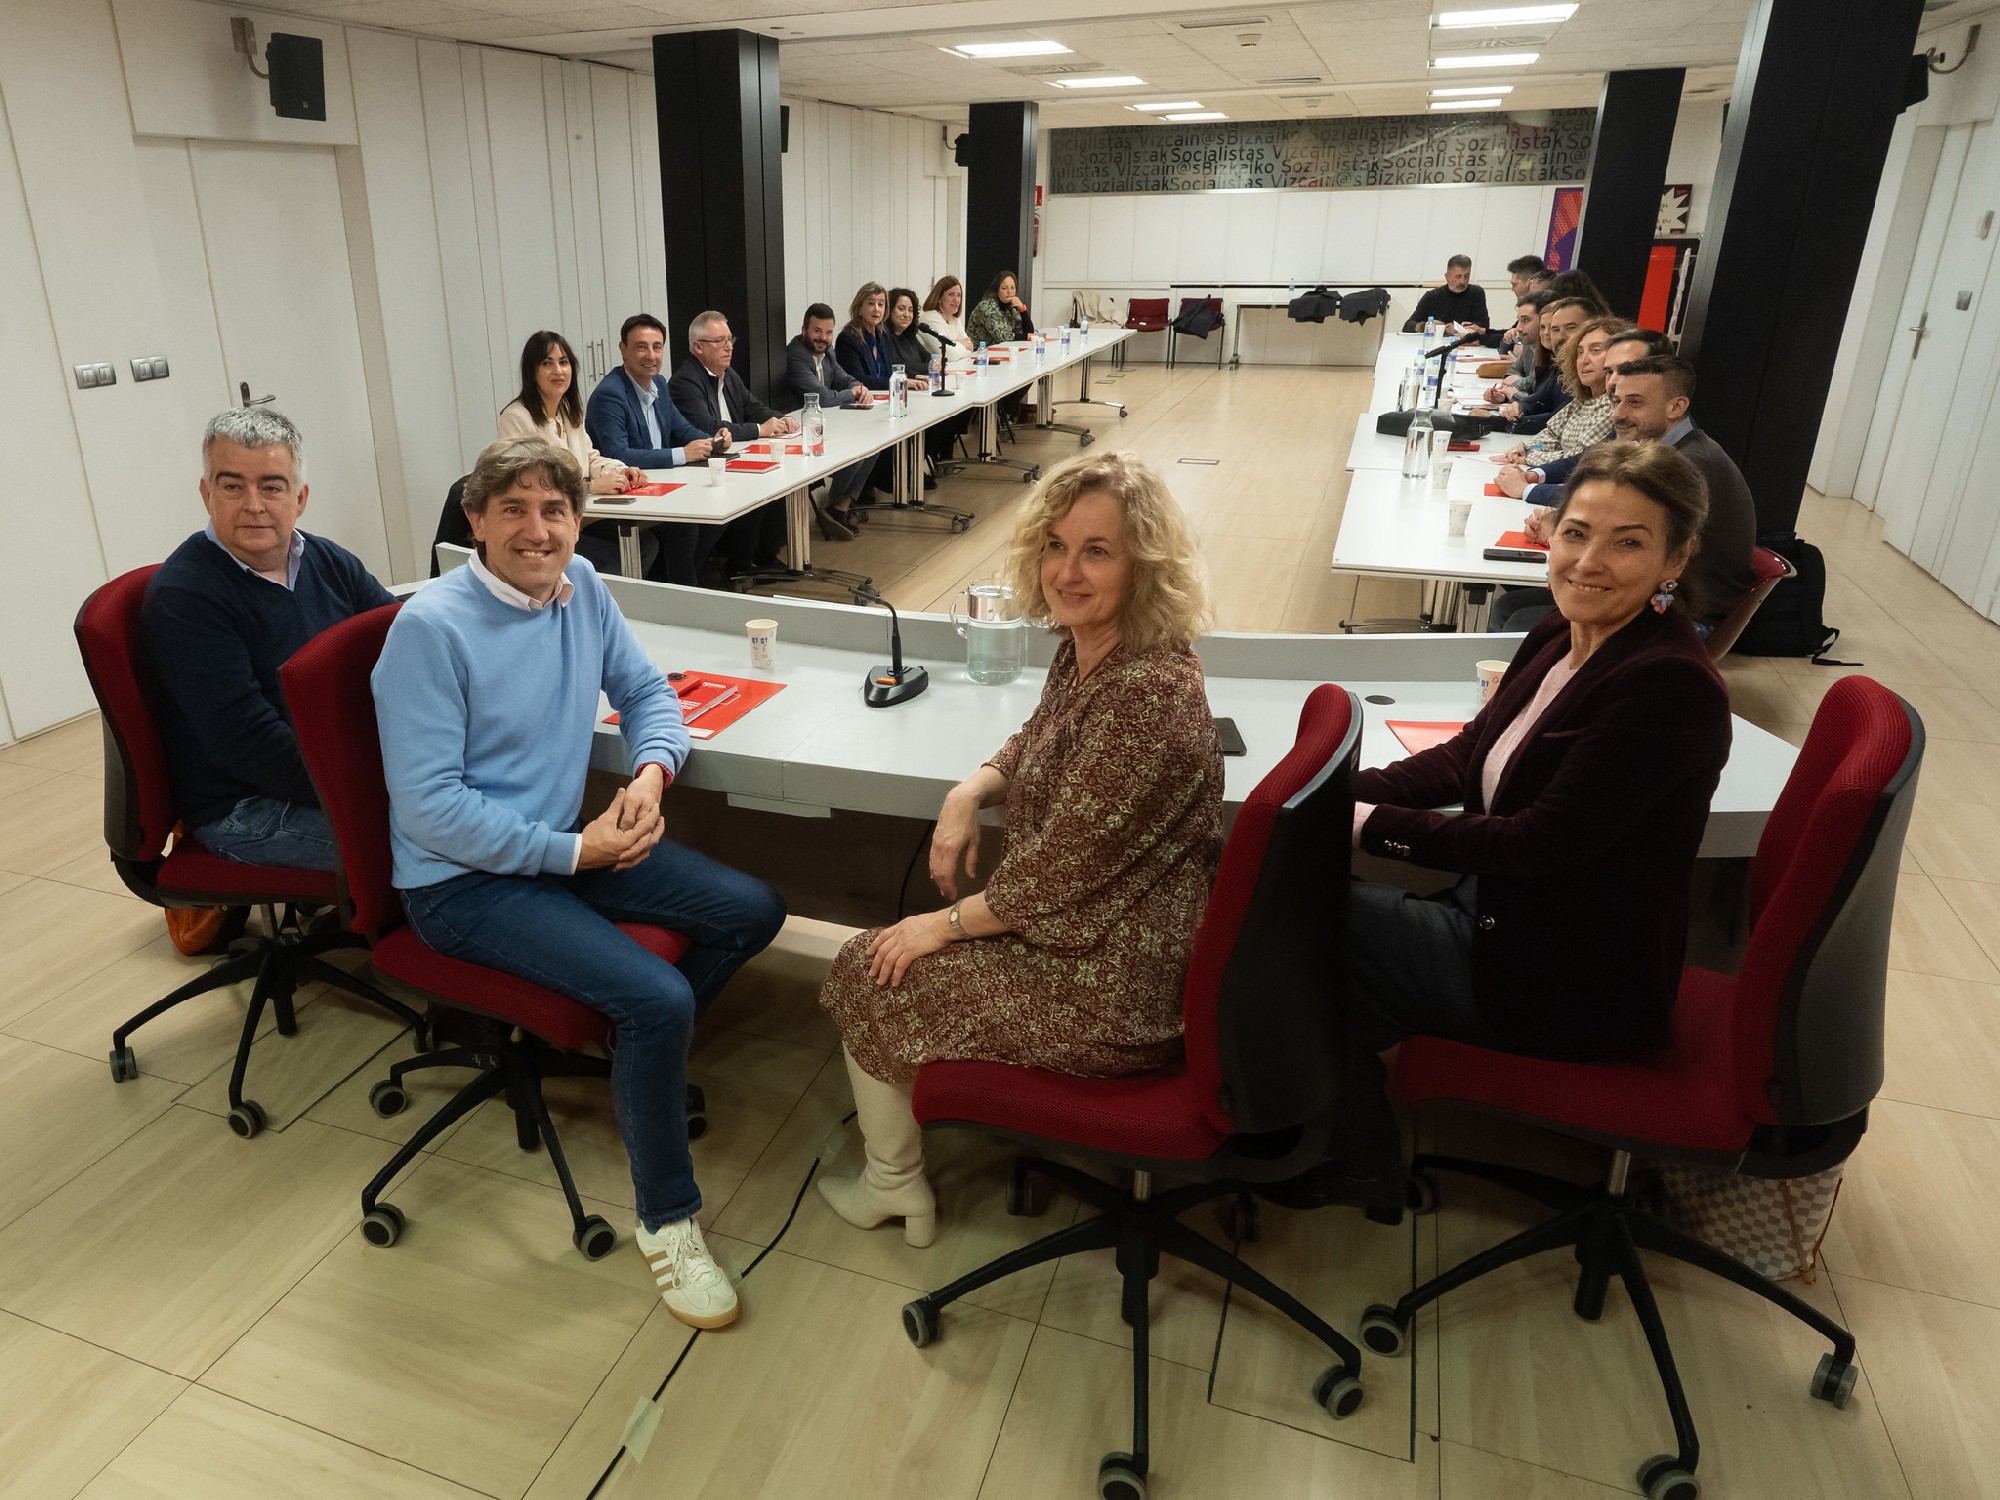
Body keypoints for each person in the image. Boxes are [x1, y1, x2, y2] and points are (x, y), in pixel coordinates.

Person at [374, 436, 786, 1328]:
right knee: (658, 999)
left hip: (563, 845)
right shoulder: (430, 630)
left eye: (554, 509)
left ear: (579, 521)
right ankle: (667, 1224)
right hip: (462, 886)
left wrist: (649, 777)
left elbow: (647, 693)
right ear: (475, 521)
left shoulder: (583, 589)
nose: (536, 528)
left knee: (754, 910)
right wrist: (575, 856)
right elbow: (431, 810)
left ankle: (624, 1059)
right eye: (512, 509)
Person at [815, 449, 1224, 1246]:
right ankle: (898, 1172)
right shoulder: (1096, 648)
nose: (1067, 572)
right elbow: (1035, 739)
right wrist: (969, 791)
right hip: (1089, 940)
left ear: (1145, 565)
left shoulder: (1150, 695)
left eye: (1097, 551)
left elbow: (1054, 877)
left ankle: (891, 1185)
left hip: (1113, 987)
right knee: (892, 950)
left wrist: (938, 925)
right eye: (1056, 546)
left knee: (869, 965)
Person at [1346, 440, 1731, 1065]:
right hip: (1501, 920)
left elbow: (1538, 844)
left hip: (1561, 980)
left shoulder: (1669, 686)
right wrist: (1342, 793)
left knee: (1290, 914)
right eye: (1575, 533)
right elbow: (1467, 754)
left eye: (1628, 543)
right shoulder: (1560, 630)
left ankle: (1331, 1152)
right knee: (1300, 915)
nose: (1588, 562)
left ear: (1677, 558)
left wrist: (1366, 826)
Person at [144, 408, 393, 870]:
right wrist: (378, 782)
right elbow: (250, 746)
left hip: (333, 767)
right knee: (429, 845)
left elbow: (402, 640)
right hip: (246, 805)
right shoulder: (186, 597)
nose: (253, 504)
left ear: (299, 497)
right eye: (232, 485)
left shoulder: (326, 559)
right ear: (206, 493)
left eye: (272, 487)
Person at [1490, 356, 1758, 635]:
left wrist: (1559, 532)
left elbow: (1633, 543)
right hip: (1648, 592)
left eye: (1635, 402)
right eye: (1616, 401)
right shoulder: (1666, 452)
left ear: (1676, 407)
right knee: (1510, 606)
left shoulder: (1687, 464)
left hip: (1683, 615)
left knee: (1523, 622)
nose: (1618, 414)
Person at [585, 314, 728, 585]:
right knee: (686, 527)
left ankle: (676, 583)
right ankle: (679, 590)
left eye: (657, 347)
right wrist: (682, 454)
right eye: (641, 346)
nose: (650, 355)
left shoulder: (659, 384)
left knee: (714, 516)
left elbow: (681, 428)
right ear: (623, 350)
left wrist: (712, 440)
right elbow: (620, 454)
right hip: (621, 500)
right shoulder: (610, 394)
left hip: (660, 488)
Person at [498, 331, 649, 578]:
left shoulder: (568, 412)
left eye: (564, 362)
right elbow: (528, 486)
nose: (558, 370)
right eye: (547, 363)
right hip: (545, 527)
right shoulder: (516, 418)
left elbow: (590, 457)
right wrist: (590, 487)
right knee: (617, 555)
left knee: (646, 545)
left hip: (579, 519)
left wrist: (621, 470)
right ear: (531, 371)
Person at [667, 311, 798, 578]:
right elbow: (708, 426)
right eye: (719, 341)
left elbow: (753, 406)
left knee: (780, 481)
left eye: (730, 339)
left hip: (733, 455)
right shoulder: (685, 381)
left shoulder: (728, 374)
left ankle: (761, 558)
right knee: (755, 489)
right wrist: (760, 429)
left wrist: (779, 418)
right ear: (698, 347)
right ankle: (738, 563)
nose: (728, 347)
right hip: (703, 466)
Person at [1494, 327, 1668, 497]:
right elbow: (1578, 453)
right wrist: (1531, 460)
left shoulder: (1679, 450)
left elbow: (1605, 492)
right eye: (1609, 371)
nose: (1614, 381)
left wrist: (1527, 484)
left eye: (1627, 370)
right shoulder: (1586, 399)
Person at [785, 302, 877, 539]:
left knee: (874, 443)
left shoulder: (828, 353)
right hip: (800, 430)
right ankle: (834, 508)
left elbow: (844, 377)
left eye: (828, 332)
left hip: (826, 423)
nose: (823, 338)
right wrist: (853, 393)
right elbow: (822, 398)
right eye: (817, 331)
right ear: (804, 329)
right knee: (857, 445)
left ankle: (840, 507)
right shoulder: (796, 355)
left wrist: (858, 386)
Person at [1502, 313, 1630, 469]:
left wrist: (1530, 457)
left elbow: (1577, 457)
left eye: (1595, 350)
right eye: (1580, 352)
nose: (1584, 360)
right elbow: (1552, 435)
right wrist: (1526, 448)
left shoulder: (1613, 405)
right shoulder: (1583, 400)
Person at [886, 286, 964, 486]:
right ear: (890, 310)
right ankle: (906, 472)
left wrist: (926, 367)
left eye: (910, 310)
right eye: (901, 309)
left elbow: (933, 361)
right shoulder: (885, 337)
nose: (906, 314)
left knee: (951, 414)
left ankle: (917, 464)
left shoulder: (909, 336)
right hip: (898, 399)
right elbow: (896, 366)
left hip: (918, 394)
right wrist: (926, 367)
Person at [1498, 296, 1592, 432]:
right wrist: (1520, 407)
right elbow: (1538, 401)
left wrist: (1513, 399)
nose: (1558, 336)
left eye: (1571, 328)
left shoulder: (1580, 370)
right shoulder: (1544, 356)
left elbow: (1556, 420)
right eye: (1555, 329)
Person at [1402, 255, 1490, 336]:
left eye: (1466, 276)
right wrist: (1425, 326)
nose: (1463, 281)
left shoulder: (1476, 293)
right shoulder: (1432, 296)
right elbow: (1407, 326)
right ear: (1447, 276)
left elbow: (1484, 326)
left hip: (1465, 345)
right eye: (1458, 277)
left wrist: (1459, 328)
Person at [965, 268, 1034, 348]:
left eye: (1012, 288)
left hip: (997, 352)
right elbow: (1001, 336)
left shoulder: (1010, 308)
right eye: (1004, 288)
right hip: (978, 353)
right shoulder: (987, 306)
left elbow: (1029, 332)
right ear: (996, 290)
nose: (1009, 292)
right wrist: (1026, 336)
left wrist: (1022, 310)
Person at [917, 274, 974, 359]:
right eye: (951, 294)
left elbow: (970, 346)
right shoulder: (929, 319)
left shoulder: (954, 319)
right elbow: (948, 355)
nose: (956, 300)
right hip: (932, 370)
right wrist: (962, 345)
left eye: (959, 295)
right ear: (939, 298)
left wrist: (959, 348)